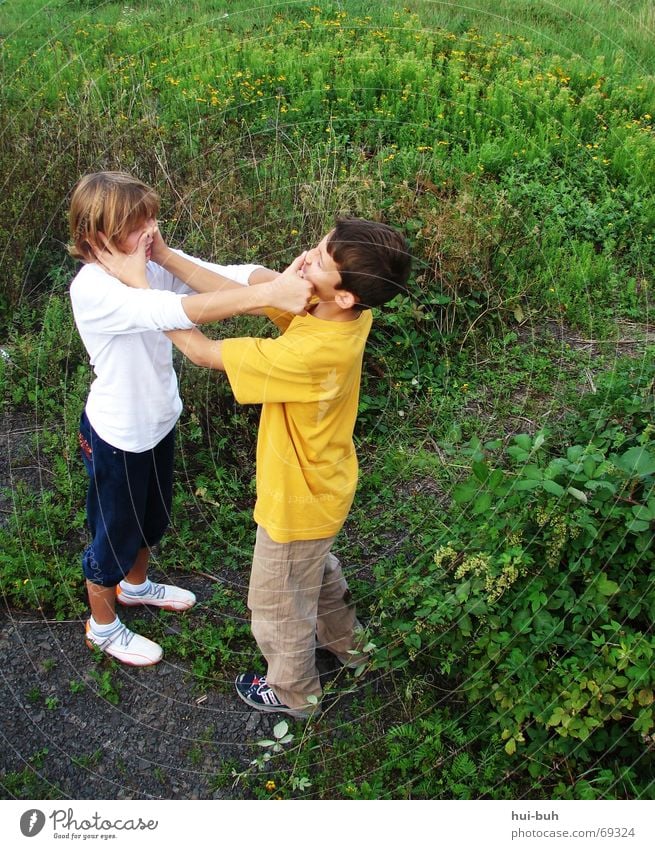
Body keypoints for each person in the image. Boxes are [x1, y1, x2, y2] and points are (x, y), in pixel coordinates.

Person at [160, 217, 412, 717]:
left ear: (343, 294)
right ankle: (351, 648)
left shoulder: (310, 351)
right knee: (315, 575)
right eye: (318, 247)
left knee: (277, 605)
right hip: (326, 485)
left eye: (320, 260)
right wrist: (166, 257)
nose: (307, 257)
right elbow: (245, 291)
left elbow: (204, 351)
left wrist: (146, 302)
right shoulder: (343, 313)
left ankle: (295, 692)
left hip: (296, 499)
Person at [68, 171, 312, 667]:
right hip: (118, 436)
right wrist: (267, 299)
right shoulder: (93, 288)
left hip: (158, 422)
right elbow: (179, 309)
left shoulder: (149, 262)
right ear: (97, 238)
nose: (152, 232)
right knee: (113, 537)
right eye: (138, 225)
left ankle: (136, 588)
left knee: (151, 519)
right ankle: (103, 625)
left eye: (152, 217)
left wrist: (279, 283)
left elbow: (224, 275)